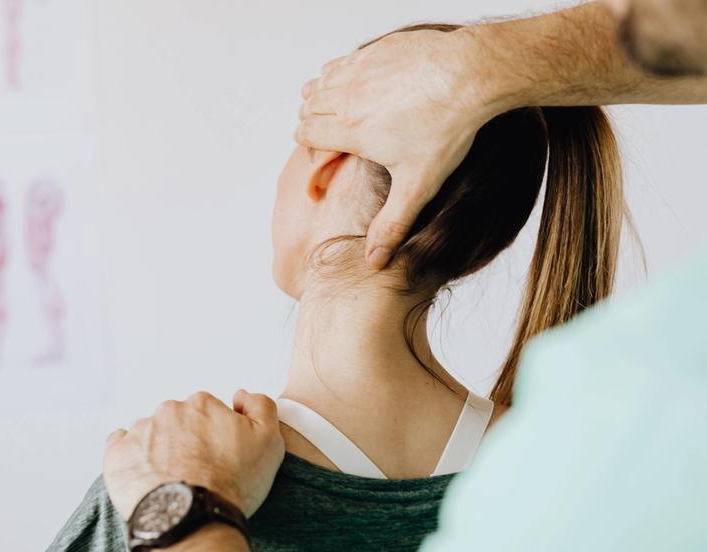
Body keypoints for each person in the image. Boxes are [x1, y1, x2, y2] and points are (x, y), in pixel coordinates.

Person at [70, 1, 707, 551]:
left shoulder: (158, 491)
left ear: (324, 171)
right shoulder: (597, 471)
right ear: (476, 242)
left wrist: (179, 507)